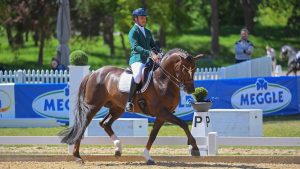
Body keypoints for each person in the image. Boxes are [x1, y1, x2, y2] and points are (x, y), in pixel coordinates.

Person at [125, 8, 161, 112]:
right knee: (137, 76)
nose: (144, 19)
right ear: (135, 19)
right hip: (137, 59)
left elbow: (153, 45)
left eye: (145, 17)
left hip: (149, 59)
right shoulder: (133, 32)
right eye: (141, 17)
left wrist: (159, 52)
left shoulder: (148, 31)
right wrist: (150, 53)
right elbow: (136, 47)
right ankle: (129, 101)